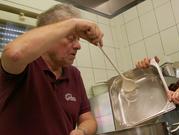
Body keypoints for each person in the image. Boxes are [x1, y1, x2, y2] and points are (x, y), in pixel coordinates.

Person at [0, 4, 103, 135]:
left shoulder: (74, 74)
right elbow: (14, 54)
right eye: (71, 37)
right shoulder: (26, 65)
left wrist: (82, 131)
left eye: (78, 39)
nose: (78, 46)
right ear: (49, 38)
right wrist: (73, 23)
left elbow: (88, 119)